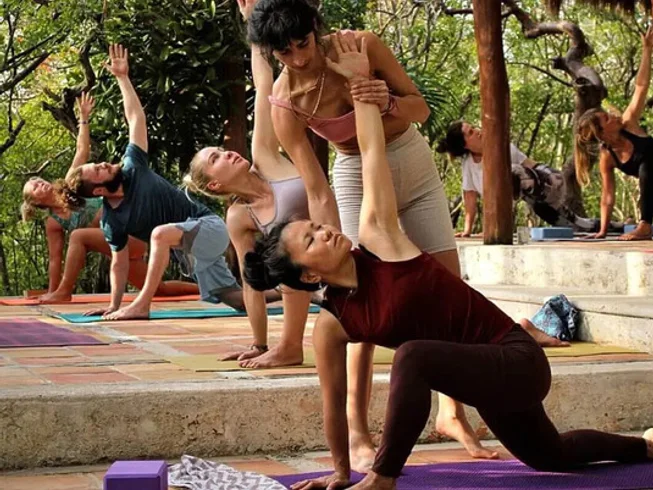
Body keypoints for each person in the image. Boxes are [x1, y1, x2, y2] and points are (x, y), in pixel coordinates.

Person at [243, 35, 653, 490]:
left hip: (516, 359)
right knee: (549, 454)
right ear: (308, 273)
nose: (325, 230)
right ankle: (645, 448)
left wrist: (361, 84)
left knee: (413, 355)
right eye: (311, 239)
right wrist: (339, 470)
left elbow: (372, 153)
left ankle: (383, 476)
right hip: (478, 375)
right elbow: (332, 400)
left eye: (316, 225)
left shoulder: (380, 240)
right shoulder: (333, 324)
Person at [247, 0, 490, 468]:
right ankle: (358, 429)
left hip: (413, 164)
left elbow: (420, 110)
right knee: (360, 301)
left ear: (315, 30)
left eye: (303, 43)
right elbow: (317, 189)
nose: (299, 57)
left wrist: (385, 99)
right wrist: (335, 258)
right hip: (356, 172)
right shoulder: (285, 103)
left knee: (449, 290)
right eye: (285, 52)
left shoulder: (360, 46)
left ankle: (452, 412)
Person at [64, 44, 278, 320]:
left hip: (208, 227)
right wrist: (114, 305)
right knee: (237, 300)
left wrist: (123, 78)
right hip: (188, 248)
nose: (104, 163)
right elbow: (119, 263)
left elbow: (135, 118)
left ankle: (142, 305)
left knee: (158, 234)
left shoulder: (133, 167)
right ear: (101, 190)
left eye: (98, 163)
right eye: (98, 170)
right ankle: (295, 291)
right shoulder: (111, 221)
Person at [183, 0, 312, 368]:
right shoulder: (240, 217)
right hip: (313, 268)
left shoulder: (264, 156)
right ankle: (288, 346)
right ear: (214, 186)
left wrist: (253, 25)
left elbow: (263, 86)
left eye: (221, 150)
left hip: (344, 235)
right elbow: (251, 281)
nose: (226, 153)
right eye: (216, 159)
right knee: (288, 255)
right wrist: (258, 343)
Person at [20, 94, 197, 303]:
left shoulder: (72, 184)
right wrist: (51, 291)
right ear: (36, 203)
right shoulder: (53, 222)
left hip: (133, 235)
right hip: (117, 246)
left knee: (78, 236)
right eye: (35, 187)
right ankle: (212, 288)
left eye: (39, 180)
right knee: (159, 289)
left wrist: (83, 118)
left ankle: (64, 292)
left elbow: (82, 150)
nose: (40, 183)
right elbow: (54, 258)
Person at [437, 121, 625, 236]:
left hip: (549, 182)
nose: (477, 130)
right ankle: (617, 226)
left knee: (509, 172)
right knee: (577, 225)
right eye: (471, 132)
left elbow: (528, 168)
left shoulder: (500, 147)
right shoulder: (468, 164)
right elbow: (470, 196)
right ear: (464, 145)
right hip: (535, 199)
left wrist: (492, 227)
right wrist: (468, 229)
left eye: (474, 127)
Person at [575, 26, 653, 241]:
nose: (612, 115)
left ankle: (645, 225)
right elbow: (607, 196)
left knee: (647, 167)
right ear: (601, 134)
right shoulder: (607, 156)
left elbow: (641, 87)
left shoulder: (629, 123)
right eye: (606, 119)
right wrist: (602, 231)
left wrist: (647, 50)